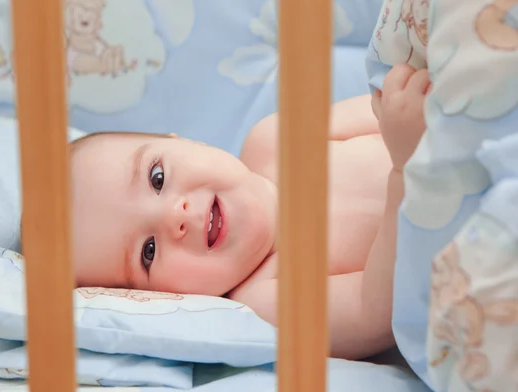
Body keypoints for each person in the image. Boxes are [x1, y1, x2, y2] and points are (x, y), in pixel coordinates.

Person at [70, 64, 430, 360]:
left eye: (157, 178)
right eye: (148, 252)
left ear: (183, 141)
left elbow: (389, 112)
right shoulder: (262, 303)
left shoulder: (274, 139)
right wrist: (405, 173)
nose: (173, 216)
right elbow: (377, 312)